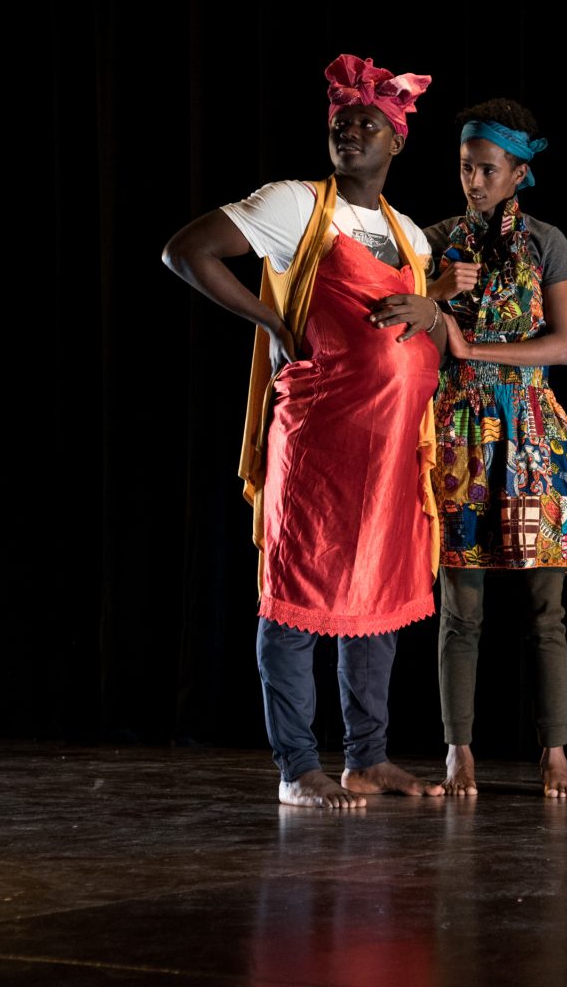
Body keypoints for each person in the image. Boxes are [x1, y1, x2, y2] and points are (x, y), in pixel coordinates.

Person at [162, 54, 447, 808]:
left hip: (390, 449)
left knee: (377, 598)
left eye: (367, 123)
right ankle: (297, 769)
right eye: (340, 122)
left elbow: (429, 336)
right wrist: (270, 321)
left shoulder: (410, 236)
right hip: (319, 439)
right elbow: (185, 251)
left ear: (397, 140)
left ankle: (367, 760)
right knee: (296, 592)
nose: (349, 131)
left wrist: (432, 313)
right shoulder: (295, 204)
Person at [420, 98, 567, 798]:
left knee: (546, 610)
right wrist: (434, 291)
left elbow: (565, 345)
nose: (474, 180)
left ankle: (554, 753)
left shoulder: (547, 242)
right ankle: (457, 752)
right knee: (460, 610)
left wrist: (473, 347)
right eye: (466, 167)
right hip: (460, 434)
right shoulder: (432, 241)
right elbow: (397, 331)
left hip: (531, 434)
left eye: (487, 169)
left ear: (520, 172)